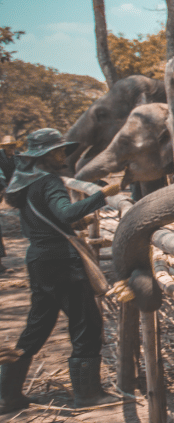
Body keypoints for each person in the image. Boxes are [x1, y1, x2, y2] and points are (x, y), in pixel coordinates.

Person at [0, 129, 122, 414]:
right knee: (86, 323)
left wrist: (71, 226)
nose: (62, 155)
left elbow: (45, 221)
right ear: (43, 155)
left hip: (39, 259)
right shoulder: (50, 180)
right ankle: (88, 394)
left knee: (37, 326)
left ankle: (7, 394)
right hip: (61, 263)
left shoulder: (26, 184)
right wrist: (104, 193)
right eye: (57, 151)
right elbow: (66, 212)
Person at [0, 135, 16, 275]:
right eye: (9, 146)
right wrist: (5, 187)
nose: (12, 149)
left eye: (13, 146)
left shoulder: (15, 157)